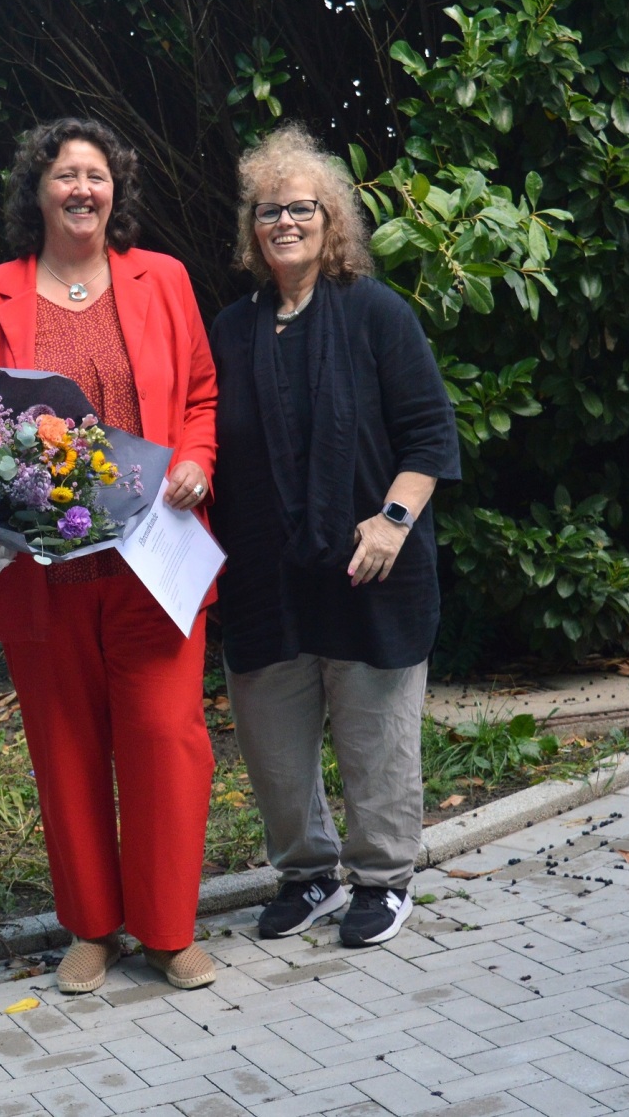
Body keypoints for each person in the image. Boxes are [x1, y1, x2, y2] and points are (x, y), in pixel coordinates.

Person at [0, 118, 220, 994]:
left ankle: (171, 930)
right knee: (64, 748)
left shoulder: (163, 279)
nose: (82, 190)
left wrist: (194, 463)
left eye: (96, 175)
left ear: (116, 190)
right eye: (65, 175)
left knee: (164, 740)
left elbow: (203, 394)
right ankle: (93, 927)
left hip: (152, 562)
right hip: (44, 574)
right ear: (38, 190)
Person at [208, 123, 461, 948]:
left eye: (301, 208)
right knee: (274, 747)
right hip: (265, 576)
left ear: (333, 220)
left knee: (376, 736)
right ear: (252, 228)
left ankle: (383, 878)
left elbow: (428, 435)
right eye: (268, 210)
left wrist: (393, 520)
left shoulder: (377, 314)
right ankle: (306, 872)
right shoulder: (232, 330)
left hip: (367, 567)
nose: (284, 222)